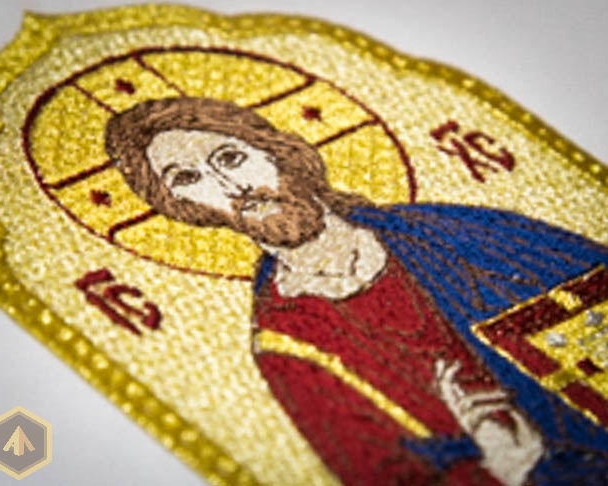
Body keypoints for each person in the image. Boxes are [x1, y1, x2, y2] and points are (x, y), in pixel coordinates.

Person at [105, 97, 608, 486]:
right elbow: (381, 468)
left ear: (276, 152)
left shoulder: (449, 232)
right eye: (189, 178)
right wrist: (508, 466)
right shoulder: (291, 344)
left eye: (231, 157)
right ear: (185, 208)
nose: (231, 187)